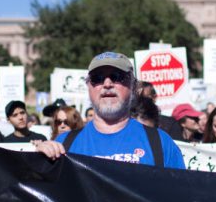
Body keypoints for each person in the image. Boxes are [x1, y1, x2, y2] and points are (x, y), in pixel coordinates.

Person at [35, 52, 185, 168]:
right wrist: (38, 163)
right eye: (97, 78)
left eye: (117, 76)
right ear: (88, 86)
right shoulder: (63, 145)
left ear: (133, 86)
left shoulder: (161, 144)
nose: (107, 84)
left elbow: (180, 196)